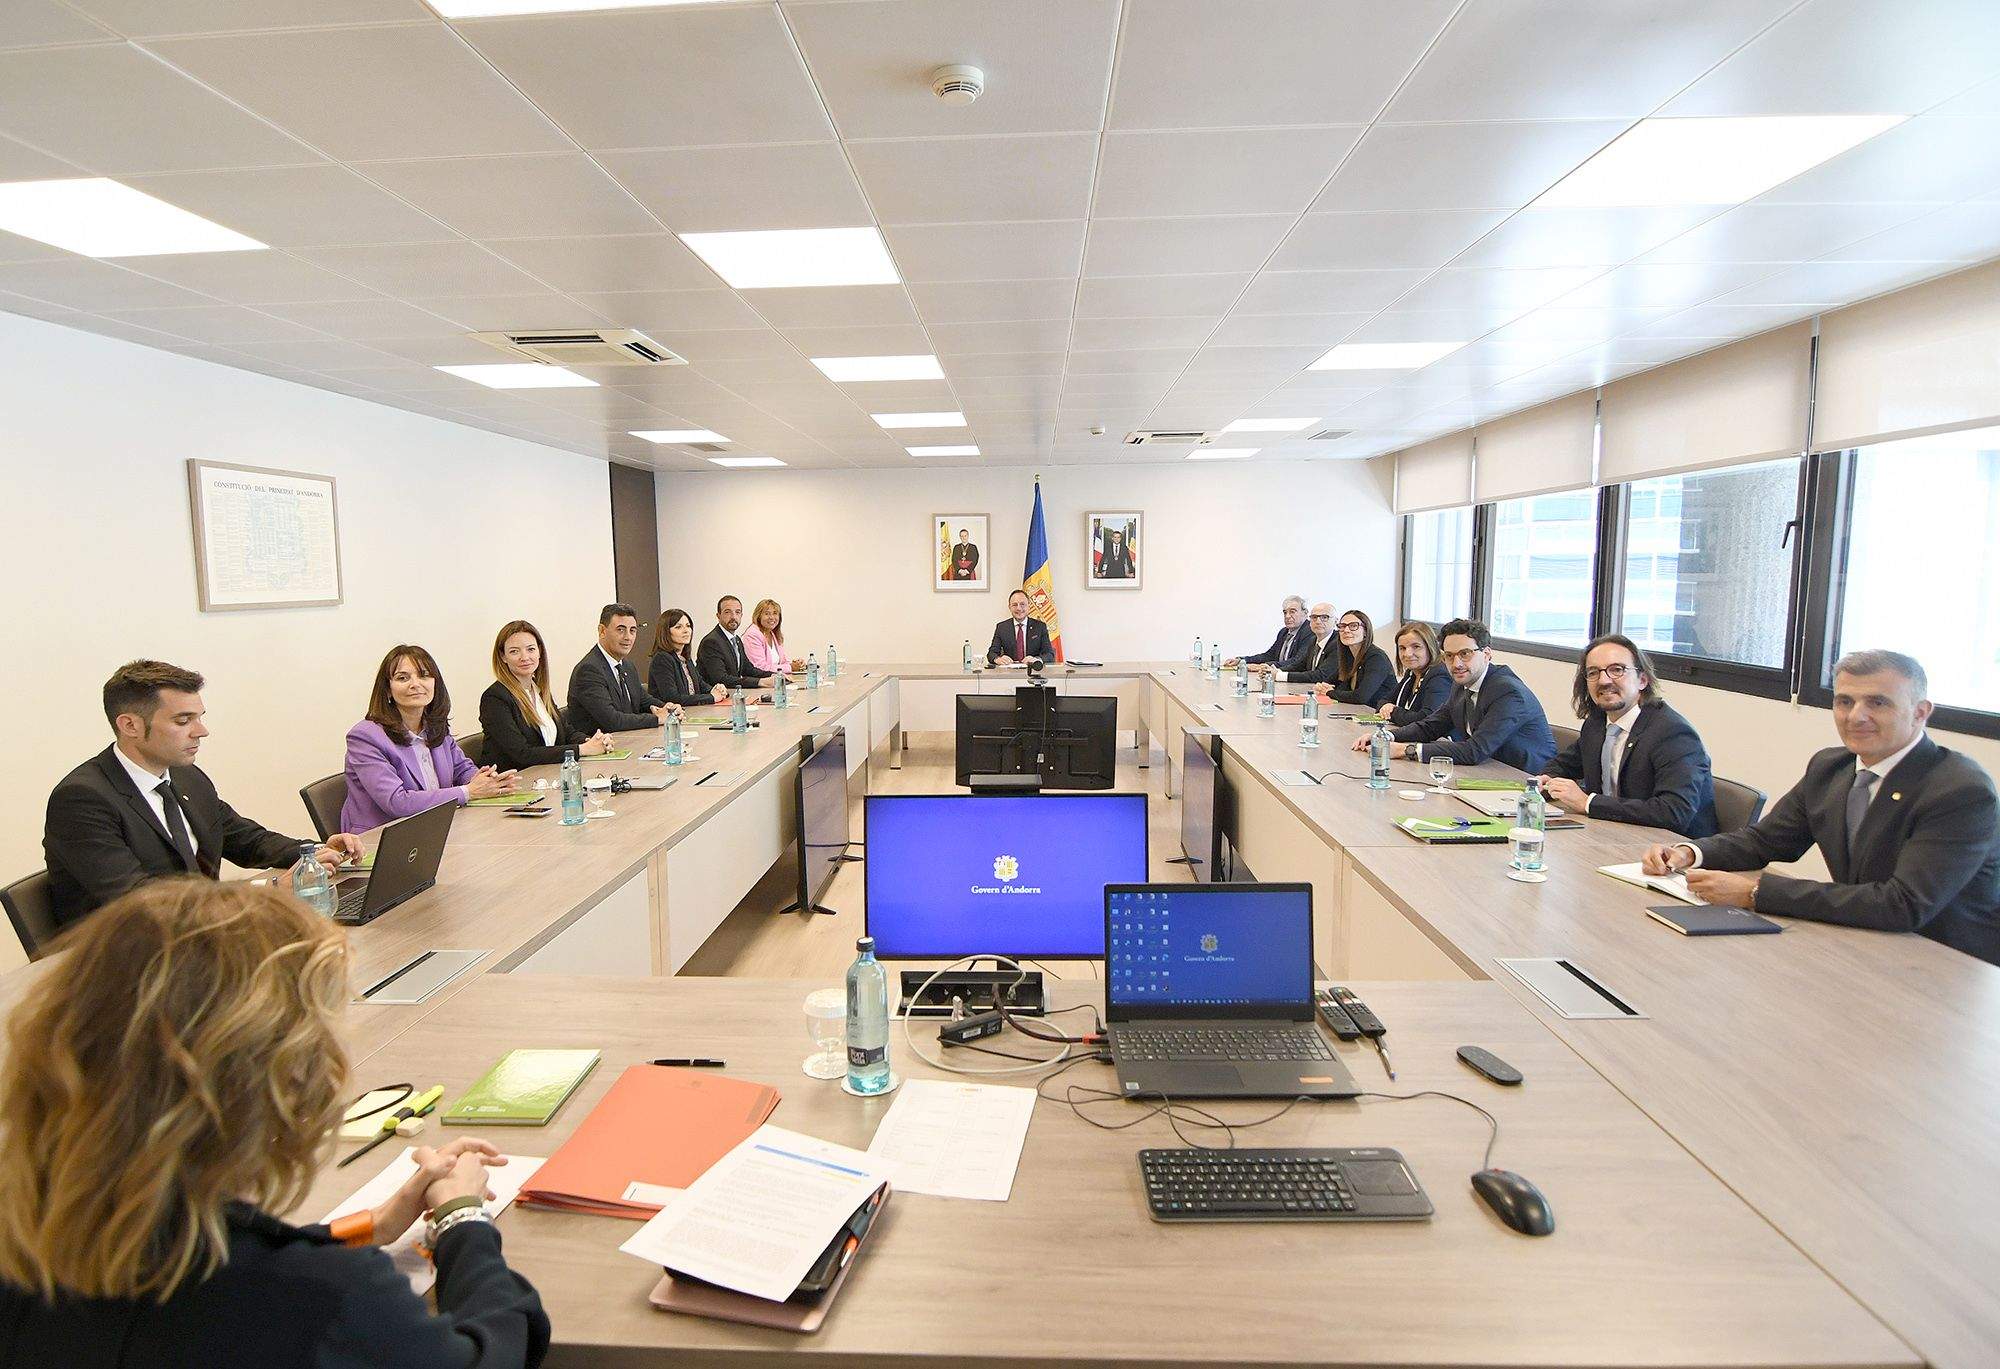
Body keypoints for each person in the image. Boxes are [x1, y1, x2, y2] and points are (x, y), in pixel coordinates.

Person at [0, 879, 550, 1367]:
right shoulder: (324, 1304)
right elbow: (490, 1351)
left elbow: (193, 1247)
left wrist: (365, 1227)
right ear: (278, 1078)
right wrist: (462, 1221)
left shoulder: (33, 1241)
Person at [1641, 650, 2000, 965]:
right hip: (1860, 942)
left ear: (1920, 712)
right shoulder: (1831, 767)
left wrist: (1754, 893)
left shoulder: (1960, 790)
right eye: (1845, 701)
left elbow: (1903, 904)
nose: (1856, 716)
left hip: (1943, 964)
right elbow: (1766, 841)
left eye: (1877, 702)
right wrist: (1690, 851)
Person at [43, 660, 361, 931]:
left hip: (200, 938)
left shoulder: (184, 775)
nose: (201, 731)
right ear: (130, 726)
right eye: (183, 721)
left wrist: (310, 853)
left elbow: (246, 839)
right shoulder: (82, 799)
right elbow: (141, 902)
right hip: (126, 960)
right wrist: (270, 889)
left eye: (199, 717)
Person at [1539, 634, 1717, 838]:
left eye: (1617, 670)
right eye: (1593, 672)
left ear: (1642, 680)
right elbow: (1565, 764)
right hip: (1610, 836)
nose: (1604, 680)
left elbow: (1674, 812)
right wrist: (1547, 779)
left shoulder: (1672, 733)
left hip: (1671, 850)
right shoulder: (1597, 722)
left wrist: (1588, 802)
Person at [343, 646, 521, 832]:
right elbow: (397, 802)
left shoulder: (434, 726)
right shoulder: (365, 737)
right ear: (387, 690)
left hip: (435, 828)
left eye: (424, 675)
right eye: (403, 678)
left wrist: (485, 779)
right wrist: (468, 791)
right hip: (382, 839)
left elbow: (462, 769)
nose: (415, 684)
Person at [1355, 618, 1555, 773]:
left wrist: (1405, 750)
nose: (1456, 663)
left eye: (1465, 653)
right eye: (1449, 656)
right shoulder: (1463, 683)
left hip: (1526, 783)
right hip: (1485, 773)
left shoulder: (1508, 692)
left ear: (1486, 654)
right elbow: (1431, 726)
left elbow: (1474, 750)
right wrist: (1385, 736)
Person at [479, 621, 613, 771]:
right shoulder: (495, 698)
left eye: (530, 649)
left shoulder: (539, 690)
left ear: (539, 652)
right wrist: (582, 750)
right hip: (513, 784)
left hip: (546, 775)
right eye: (514, 651)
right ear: (503, 657)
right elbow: (522, 754)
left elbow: (567, 733)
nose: (524, 657)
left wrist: (593, 741)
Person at [568, 604, 681, 735]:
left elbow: (643, 700)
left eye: (632, 630)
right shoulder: (589, 670)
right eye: (620, 630)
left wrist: (669, 709)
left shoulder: (627, 666)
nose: (628, 637)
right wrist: (657, 718)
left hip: (628, 740)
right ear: (602, 631)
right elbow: (613, 721)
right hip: (601, 749)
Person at [647, 608, 729, 707]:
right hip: (672, 718)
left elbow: (700, 685)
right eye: (678, 627)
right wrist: (712, 697)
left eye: (688, 626)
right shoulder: (662, 659)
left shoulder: (685, 657)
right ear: (666, 632)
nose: (686, 631)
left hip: (692, 712)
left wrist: (717, 690)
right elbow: (672, 698)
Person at [698, 595, 776, 692]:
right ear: (718, 616)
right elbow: (720, 679)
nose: (733, 617)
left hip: (732, 695)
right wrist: (760, 682)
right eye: (727, 612)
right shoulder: (711, 642)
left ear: (741, 615)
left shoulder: (737, 639)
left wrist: (774, 675)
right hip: (714, 701)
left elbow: (748, 669)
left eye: (737, 612)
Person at [1319, 609, 1395, 708]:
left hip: (1375, 715)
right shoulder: (1349, 655)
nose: (1346, 630)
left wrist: (1330, 692)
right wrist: (1322, 687)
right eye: (1342, 626)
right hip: (1354, 711)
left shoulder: (1376, 658)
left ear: (1366, 631)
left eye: (1353, 626)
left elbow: (1361, 696)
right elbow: (1328, 682)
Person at [1383, 620, 1453, 726]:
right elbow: (1383, 701)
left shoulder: (1439, 676)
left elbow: (1427, 718)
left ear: (1430, 648)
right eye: (1402, 648)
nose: (1408, 654)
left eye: (1416, 647)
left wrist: (1393, 711)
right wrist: (1388, 707)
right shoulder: (1411, 673)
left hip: (1441, 740)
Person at [1254, 603, 1340, 686]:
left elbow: (1321, 675)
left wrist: (1278, 675)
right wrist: (1273, 671)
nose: (1318, 621)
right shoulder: (1313, 640)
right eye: (1314, 617)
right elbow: (1299, 665)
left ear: (1336, 621)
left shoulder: (1338, 644)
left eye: (1325, 617)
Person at [1224, 595, 1309, 671]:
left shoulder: (1309, 631)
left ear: (1305, 613)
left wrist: (1266, 666)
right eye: (1285, 612)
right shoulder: (1284, 632)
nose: (1287, 616)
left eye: (1292, 612)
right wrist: (1242, 660)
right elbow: (1269, 655)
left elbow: (1297, 661)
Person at [986, 588, 1052, 666]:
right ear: (1009, 607)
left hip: (1034, 671)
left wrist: (1037, 659)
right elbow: (991, 653)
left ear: (1029, 606)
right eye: (1014, 605)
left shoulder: (1040, 627)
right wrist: (998, 659)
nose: (1018, 608)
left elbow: (1049, 654)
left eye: (1022, 604)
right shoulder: (1002, 627)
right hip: (1010, 673)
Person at [742, 598, 800, 676]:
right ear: (758, 616)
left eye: (775, 613)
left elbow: (782, 662)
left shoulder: (773, 634)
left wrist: (796, 664)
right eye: (767, 613)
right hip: (759, 684)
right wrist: (790, 667)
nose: (772, 617)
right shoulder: (752, 635)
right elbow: (760, 667)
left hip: (774, 681)